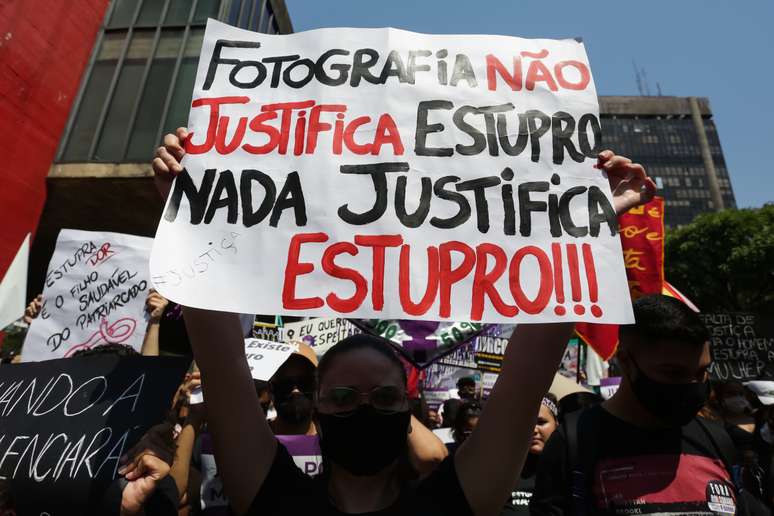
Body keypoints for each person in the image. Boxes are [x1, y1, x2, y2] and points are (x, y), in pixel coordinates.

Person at [153, 129, 656, 515]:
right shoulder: (271, 492)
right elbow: (221, 363)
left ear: (410, 408)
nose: (365, 410)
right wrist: (189, 207)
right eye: (344, 399)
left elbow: (527, 376)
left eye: (386, 398)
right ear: (319, 408)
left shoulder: (455, 498)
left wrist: (588, 227)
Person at [531, 295, 770, 515]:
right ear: (625, 362)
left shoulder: (718, 440)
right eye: (673, 373)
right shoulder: (574, 442)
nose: (692, 385)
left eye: (701, 372)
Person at [503, 394, 559, 514]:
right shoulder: (504, 473)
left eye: (541, 422)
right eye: (528, 423)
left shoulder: (570, 471)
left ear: (556, 424)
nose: (533, 429)